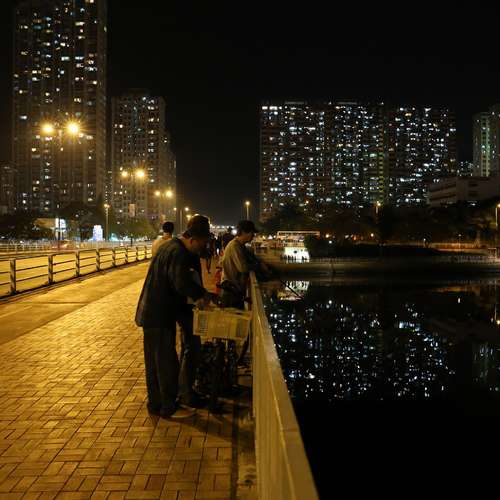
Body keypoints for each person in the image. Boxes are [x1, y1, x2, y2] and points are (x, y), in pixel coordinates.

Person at [135, 215, 217, 419]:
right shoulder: (179, 253)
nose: (202, 248)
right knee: (165, 362)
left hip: (151, 312)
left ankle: (156, 404)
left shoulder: (168, 246)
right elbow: (180, 283)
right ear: (193, 239)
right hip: (159, 313)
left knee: (154, 362)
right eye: (202, 243)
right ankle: (168, 407)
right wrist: (202, 295)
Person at [220, 220, 259, 309]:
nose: (253, 235)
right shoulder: (235, 246)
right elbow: (243, 268)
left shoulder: (241, 245)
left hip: (234, 289)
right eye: (252, 232)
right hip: (231, 290)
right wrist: (257, 266)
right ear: (243, 232)